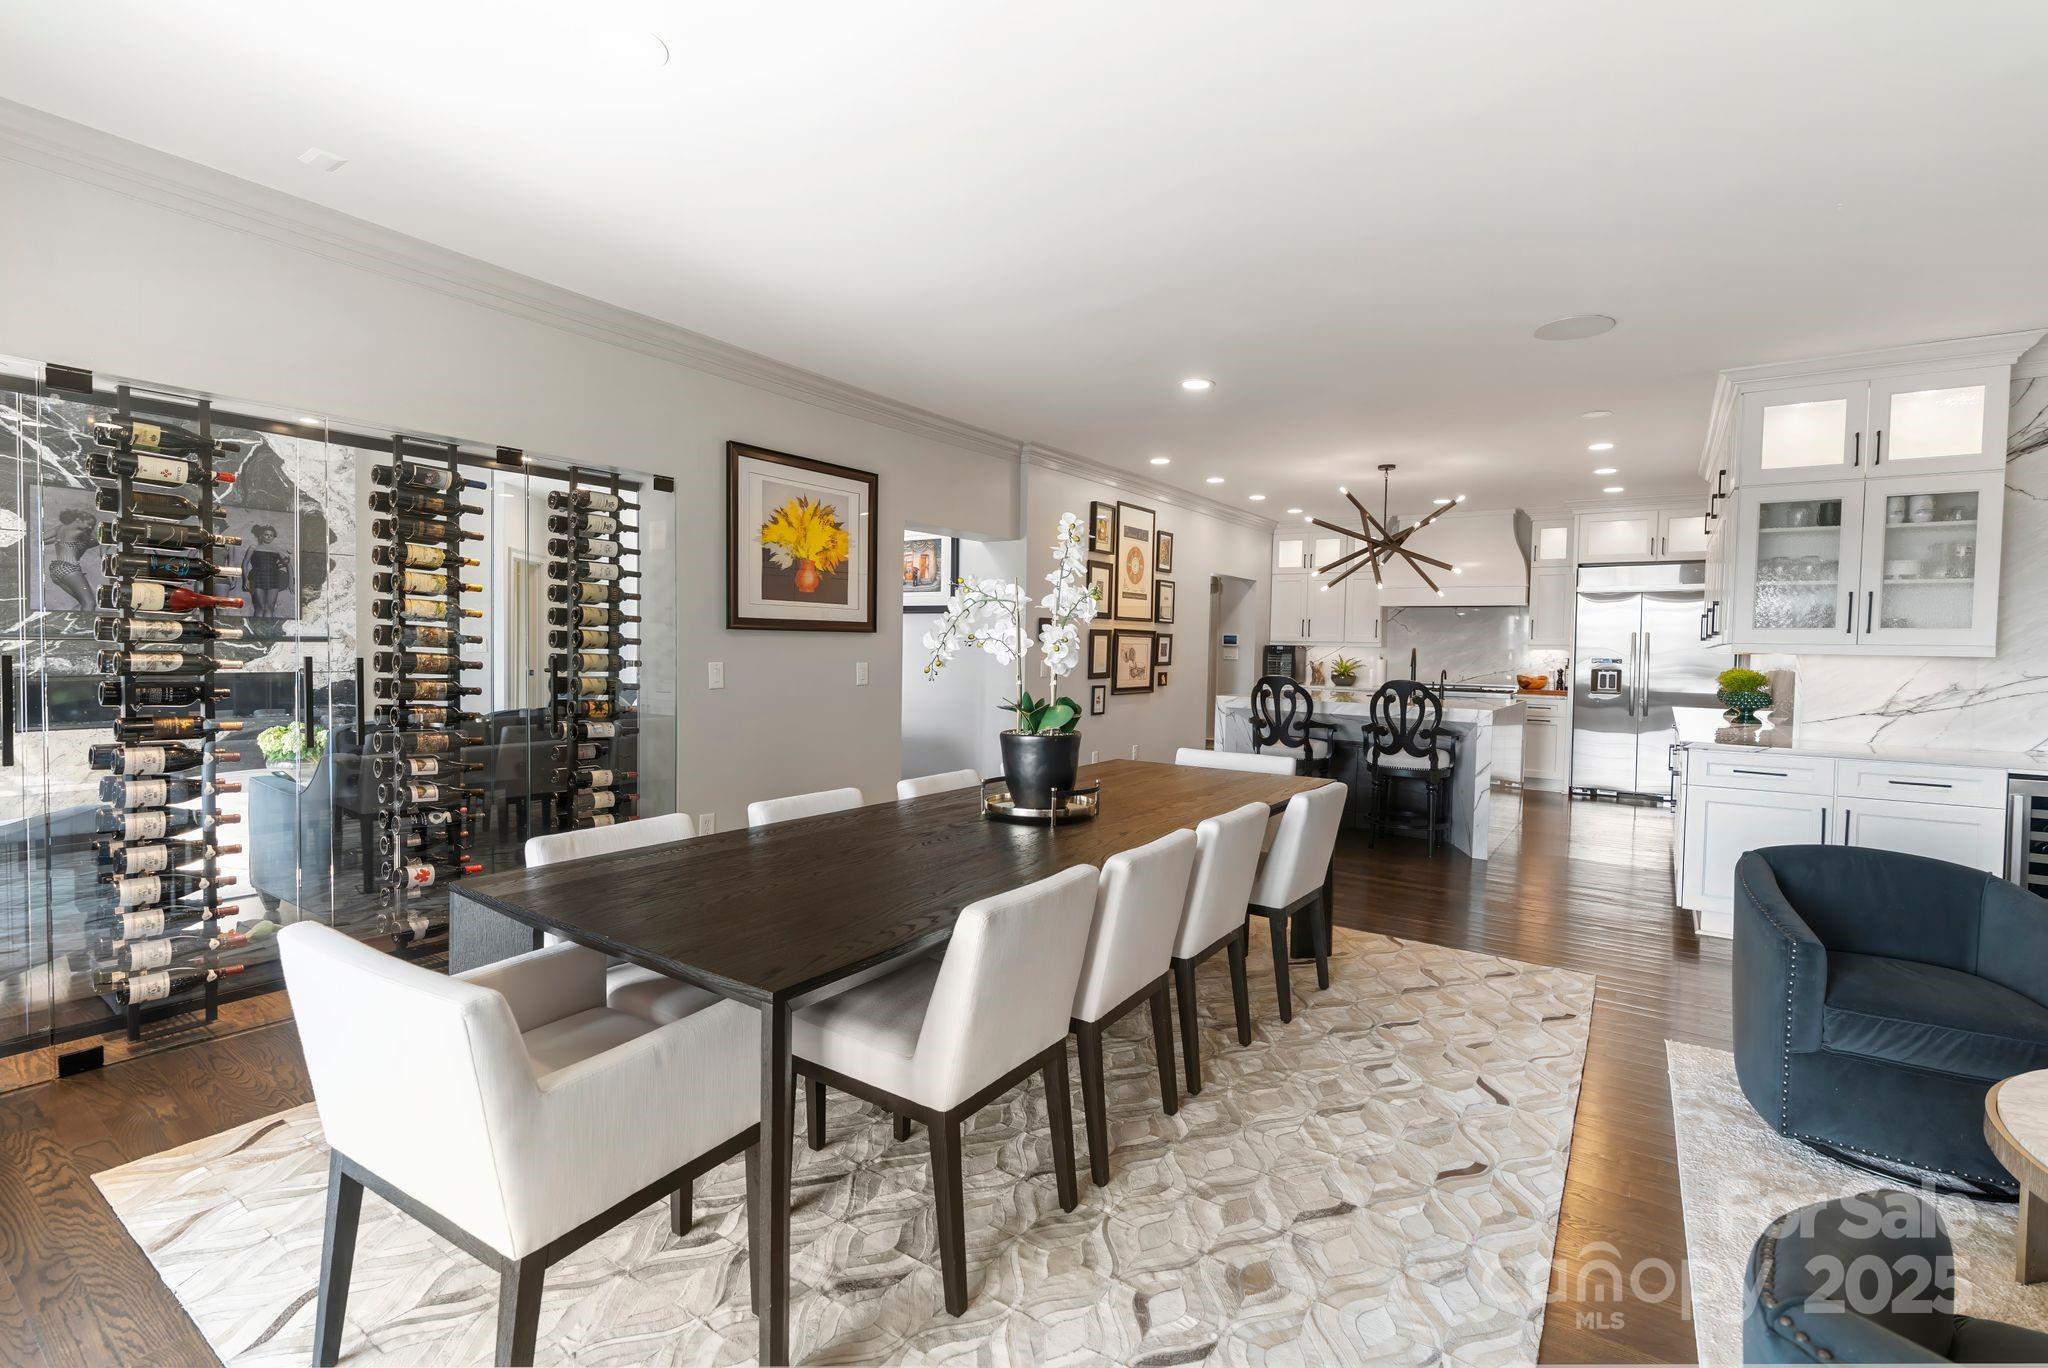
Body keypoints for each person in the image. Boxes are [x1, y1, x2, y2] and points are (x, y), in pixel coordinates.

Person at [43, 507, 95, 612]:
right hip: (69, 569)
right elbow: (96, 538)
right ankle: (84, 626)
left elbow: (41, 539)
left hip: (56, 570)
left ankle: (76, 622)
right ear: (78, 520)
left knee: (84, 603)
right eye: (89, 523)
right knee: (89, 603)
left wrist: (57, 540)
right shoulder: (78, 531)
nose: (90, 527)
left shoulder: (59, 529)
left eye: (92, 525)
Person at [242, 522, 292, 620]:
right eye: (266, 535)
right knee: (260, 608)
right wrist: (245, 580)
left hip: (273, 579)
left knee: (269, 608)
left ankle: (267, 631)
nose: (268, 537)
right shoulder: (253, 547)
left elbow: (288, 565)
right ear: (261, 535)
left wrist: (291, 582)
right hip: (257, 578)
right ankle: (257, 633)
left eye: (271, 535)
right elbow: (244, 564)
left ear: (273, 537)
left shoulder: (276, 549)